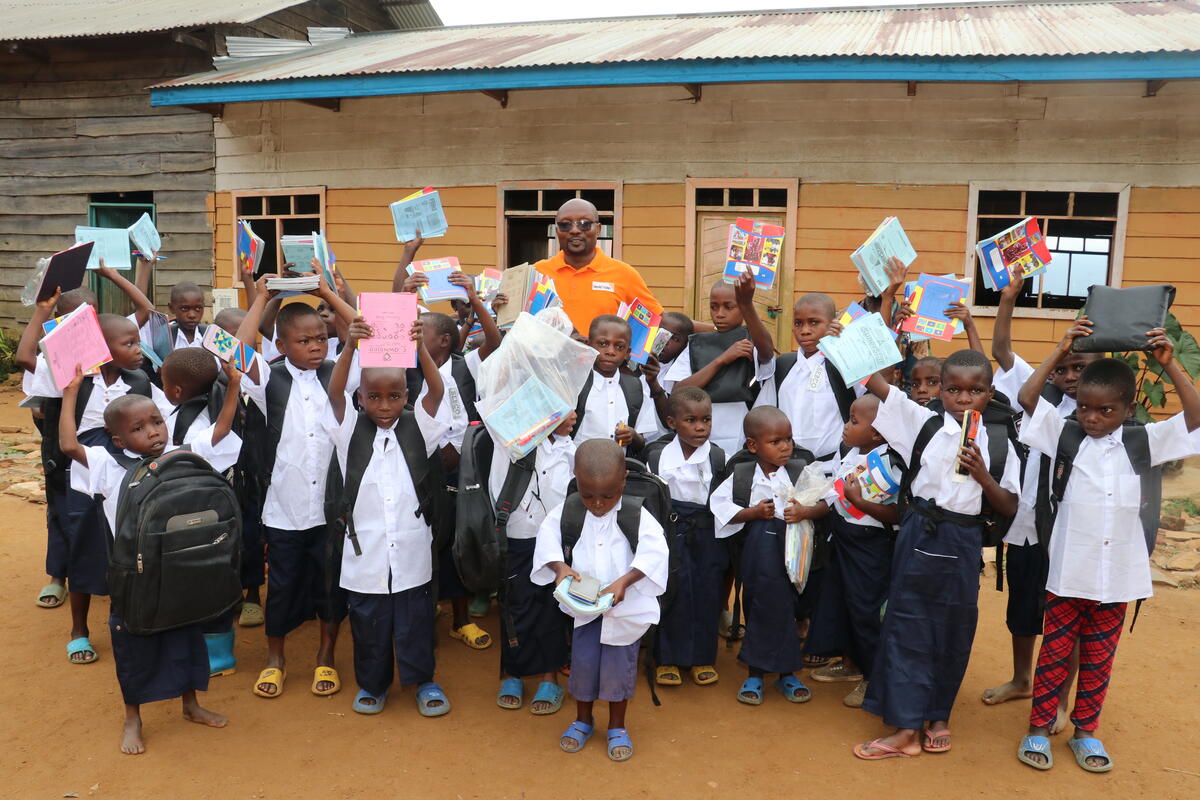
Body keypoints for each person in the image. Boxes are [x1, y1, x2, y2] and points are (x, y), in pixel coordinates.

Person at [1014, 319, 1200, 774]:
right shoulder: (1064, 436)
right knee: (1055, 655)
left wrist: (1170, 364)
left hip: (1117, 577)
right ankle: (1038, 728)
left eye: (1106, 411)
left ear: (1128, 408)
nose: (1093, 419)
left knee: (1099, 660)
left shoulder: (1143, 442)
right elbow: (1026, 398)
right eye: (1085, 409)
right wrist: (1061, 349)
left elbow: (1195, 417)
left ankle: (1086, 732)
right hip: (1069, 572)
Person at [58, 363, 241, 754]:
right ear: (118, 440)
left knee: (188, 639)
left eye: (156, 422)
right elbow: (69, 446)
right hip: (134, 578)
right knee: (133, 647)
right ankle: (133, 717)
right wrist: (72, 391)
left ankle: (190, 704)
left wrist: (235, 385)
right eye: (137, 428)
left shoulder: (182, 454)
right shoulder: (108, 466)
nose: (153, 431)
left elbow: (220, 431)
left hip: (181, 572)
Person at [853, 349, 1020, 760]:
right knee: (908, 626)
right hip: (919, 533)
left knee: (953, 629)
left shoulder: (998, 442)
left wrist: (982, 474)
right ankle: (907, 728)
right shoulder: (921, 423)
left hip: (962, 542)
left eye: (976, 390)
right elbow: (874, 380)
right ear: (941, 391)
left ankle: (937, 714)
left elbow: (1010, 506)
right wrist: (858, 336)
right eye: (954, 390)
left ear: (990, 392)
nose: (964, 399)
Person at [19, 292, 168, 665]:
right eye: (129, 343)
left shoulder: (139, 380)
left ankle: (132, 618)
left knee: (131, 543)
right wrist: (41, 312)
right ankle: (79, 630)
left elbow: (167, 418)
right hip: (85, 468)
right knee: (85, 545)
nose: (139, 349)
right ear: (102, 347)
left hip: (128, 471)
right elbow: (24, 359)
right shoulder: (75, 376)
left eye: (137, 341)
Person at [981, 269, 1101, 717]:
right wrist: (1009, 296)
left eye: (1080, 369)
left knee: (1066, 614)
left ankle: (1062, 698)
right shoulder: (1044, 396)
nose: (1070, 376)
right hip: (1029, 521)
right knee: (1023, 605)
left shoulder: (1102, 416)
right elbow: (1001, 351)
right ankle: (1023, 678)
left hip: (1070, 527)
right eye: (1065, 369)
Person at [324, 314, 456, 716]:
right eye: (375, 397)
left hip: (412, 551)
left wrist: (418, 349)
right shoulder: (349, 432)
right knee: (369, 624)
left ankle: (422, 680)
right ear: (360, 398)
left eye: (395, 396)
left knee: (416, 621)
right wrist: (349, 346)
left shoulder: (421, 429)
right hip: (366, 555)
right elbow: (333, 394)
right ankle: (373, 684)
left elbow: (437, 389)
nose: (385, 406)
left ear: (405, 396)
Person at [235, 273, 359, 700]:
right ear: (282, 345)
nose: (316, 347)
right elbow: (235, 352)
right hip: (283, 506)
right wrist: (262, 299)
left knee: (330, 584)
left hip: (330, 504)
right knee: (282, 585)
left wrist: (329, 294)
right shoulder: (269, 378)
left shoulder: (339, 373)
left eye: (321, 339)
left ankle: (326, 655)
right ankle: (276, 659)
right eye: (304, 341)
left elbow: (362, 331)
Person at [532, 439, 669, 762]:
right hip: (584, 609)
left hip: (624, 611)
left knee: (618, 670)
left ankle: (617, 726)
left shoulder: (637, 514)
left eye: (608, 495)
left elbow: (654, 553)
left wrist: (625, 581)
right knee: (583, 666)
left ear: (623, 480)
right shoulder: (567, 511)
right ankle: (582, 719)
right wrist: (559, 566)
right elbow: (548, 540)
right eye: (588, 494)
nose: (597, 504)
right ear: (576, 479)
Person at [709, 406, 818, 706]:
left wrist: (806, 510)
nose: (786, 447)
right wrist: (753, 512)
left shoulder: (800, 471)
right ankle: (756, 673)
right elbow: (719, 509)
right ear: (753, 445)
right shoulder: (742, 475)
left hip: (794, 556)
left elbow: (826, 502)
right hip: (757, 557)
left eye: (789, 439)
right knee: (758, 608)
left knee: (788, 611)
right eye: (776, 441)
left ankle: (786, 674)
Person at [804, 394, 901, 708]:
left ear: (876, 433)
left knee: (866, 610)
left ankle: (873, 678)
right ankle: (850, 663)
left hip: (870, 547)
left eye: (854, 422)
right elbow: (835, 489)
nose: (846, 427)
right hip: (843, 538)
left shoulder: (890, 462)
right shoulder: (850, 451)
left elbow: (898, 515)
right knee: (841, 602)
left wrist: (860, 503)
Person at [158, 348, 248, 677]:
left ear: (177, 390)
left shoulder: (191, 420)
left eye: (164, 382)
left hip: (195, 519)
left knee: (198, 583)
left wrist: (235, 387)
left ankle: (216, 654)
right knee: (211, 580)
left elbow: (218, 433)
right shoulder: (188, 410)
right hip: (207, 517)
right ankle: (216, 652)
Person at [493, 412, 577, 714]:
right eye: (565, 411)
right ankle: (512, 672)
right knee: (516, 603)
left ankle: (550, 676)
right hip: (518, 531)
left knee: (552, 605)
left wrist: (562, 435)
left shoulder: (569, 447)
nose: (573, 416)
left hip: (555, 535)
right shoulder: (510, 435)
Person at [643, 387, 727, 688]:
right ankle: (666, 658)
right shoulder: (657, 456)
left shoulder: (717, 457)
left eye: (706, 419)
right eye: (690, 420)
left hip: (706, 534)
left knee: (707, 593)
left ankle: (702, 657)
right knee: (670, 592)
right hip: (670, 531)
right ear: (672, 422)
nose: (700, 427)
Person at [666, 273, 775, 455]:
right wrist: (722, 360)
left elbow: (767, 353)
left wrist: (747, 303)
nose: (719, 314)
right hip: (698, 431)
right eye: (714, 307)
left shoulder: (750, 339)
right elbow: (678, 392)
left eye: (728, 307)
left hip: (740, 430)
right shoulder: (697, 344)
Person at [533, 199, 662, 336]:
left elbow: (655, 320)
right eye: (565, 225)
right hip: (547, 357)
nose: (575, 230)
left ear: (598, 229)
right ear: (557, 230)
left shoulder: (624, 274)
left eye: (584, 224)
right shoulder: (537, 273)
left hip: (601, 358)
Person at [573, 315, 659, 452]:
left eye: (619, 347)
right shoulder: (576, 383)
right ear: (589, 345)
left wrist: (632, 436)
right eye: (602, 344)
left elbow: (642, 441)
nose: (610, 352)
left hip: (618, 469)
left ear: (627, 353)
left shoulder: (635, 387)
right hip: (575, 470)